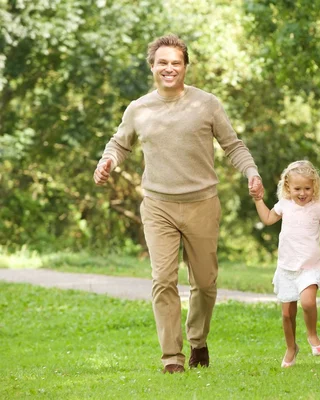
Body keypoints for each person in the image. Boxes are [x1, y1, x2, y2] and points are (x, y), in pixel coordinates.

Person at [93, 34, 264, 374]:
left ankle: (198, 340)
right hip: (158, 205)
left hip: (202, 203)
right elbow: (119, 143)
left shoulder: (207, 104)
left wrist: (251, 172)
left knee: (205, 282)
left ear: (185, 66)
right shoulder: (139, 109)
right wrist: (107, 161)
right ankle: (172, 357)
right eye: (162, 63)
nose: (169, 68)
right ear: (152, 67)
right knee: (163, 279)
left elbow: (233, 145)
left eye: (176, 62)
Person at [252, 160, 320, 368]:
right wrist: (258, 199)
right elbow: (267, 218)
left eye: (307, 188)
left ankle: (312, 334)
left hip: (309, 267)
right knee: (287, 314)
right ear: (287, 187)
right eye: (297, 189)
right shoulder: (285, 204)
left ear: (314, 187)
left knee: (308, 303)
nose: (302, 193)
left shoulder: (317, 206)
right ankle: (291, 347)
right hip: (286, 268)